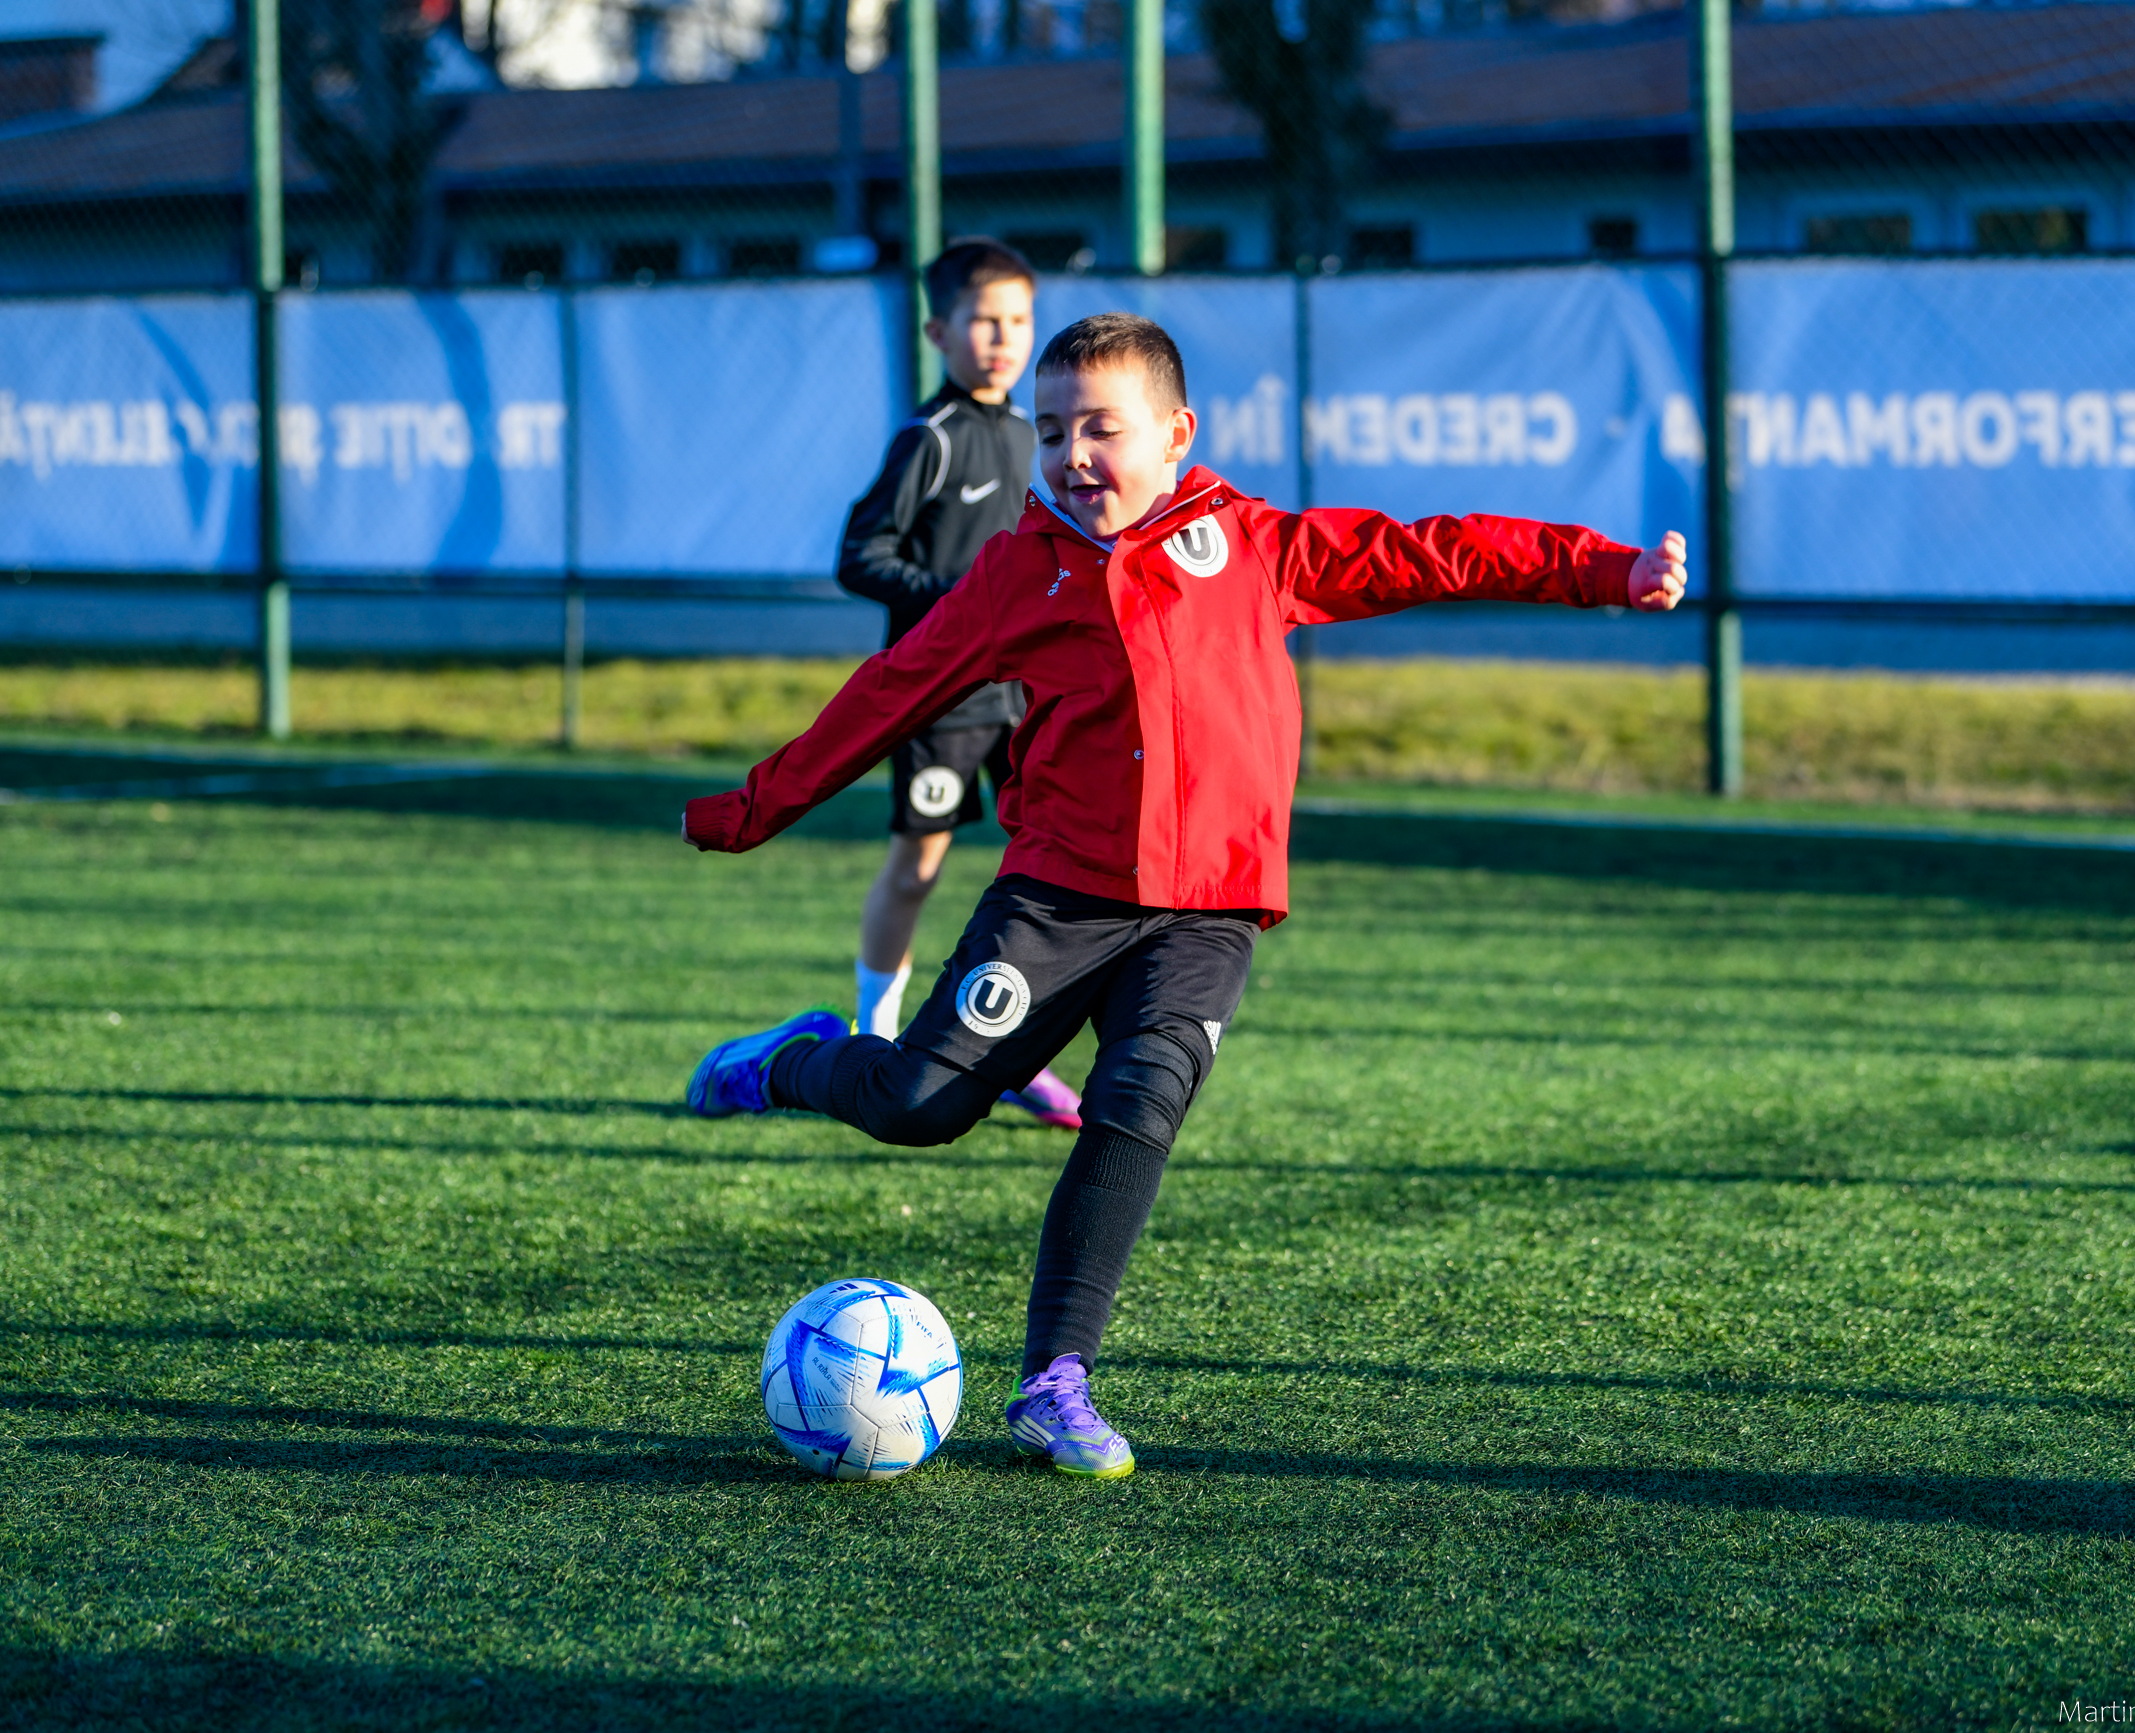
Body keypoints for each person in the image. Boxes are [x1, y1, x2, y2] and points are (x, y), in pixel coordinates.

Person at [685, 312, 1688, 1479]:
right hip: (1056, 892)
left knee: (1136, 1101)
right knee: (919, 1102)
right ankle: (792, 1058)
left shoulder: (1250, 542)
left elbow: (1432, 549)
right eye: (1053, 431)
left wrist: (1604, 570)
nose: (1071, 455)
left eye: (1100, 428)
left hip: (1209, 905)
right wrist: (753, 806)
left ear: (1175, 433)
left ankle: (1055, 1378)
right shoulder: (1017, 568)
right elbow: (891, 688)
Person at [834, 235, 1082, 1131]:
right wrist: (957, 604)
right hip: (939, 704)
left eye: (1018, 320)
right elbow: (860, 557)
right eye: (983, 319)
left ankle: (1014, 1051)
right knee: (919, 867)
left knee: (1050, 874)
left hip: (1027, 700)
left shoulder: (1037, 435)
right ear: (940, 329)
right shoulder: (928, 442)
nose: (1003, 337)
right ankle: (874, 1038)